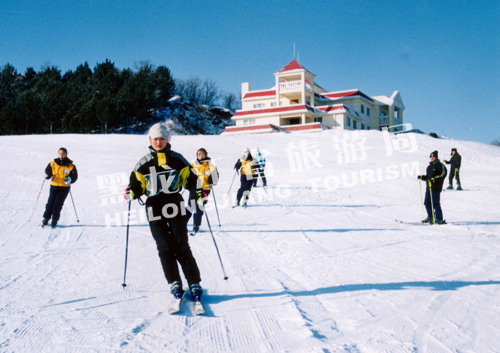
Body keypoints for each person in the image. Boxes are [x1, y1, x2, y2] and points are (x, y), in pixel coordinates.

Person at [125, 123, 204, 301]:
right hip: (154, 205)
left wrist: (198, 193)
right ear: (150, 140)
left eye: (161, 139)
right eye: (155, 139)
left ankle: (194, 282)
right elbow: (137, 184)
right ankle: (174, 282)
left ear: (167, 139)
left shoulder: (178, 159)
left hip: (174, 202)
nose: (158, 142)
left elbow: (191, 180)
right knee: (164, 246)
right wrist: (132, 191)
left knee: (181, 244)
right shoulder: (143, 163)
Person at [42, 147, 78, 228]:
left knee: (57, 204)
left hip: (64, 188)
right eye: (60, 153)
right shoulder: (52, 163)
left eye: (63, 154)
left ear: (66, 154)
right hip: (54, 186)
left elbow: (74, 176)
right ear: (58, 154)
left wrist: (70, 179)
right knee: (50, 203)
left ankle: (54, 220)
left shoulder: (71, 166)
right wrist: (47, 175)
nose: (61, 155)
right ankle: (46, 218)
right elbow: (48, 172)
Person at [186, 148, 219, 234]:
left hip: (205, 189)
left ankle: (196, 225)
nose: (201, 155)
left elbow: (215, 178)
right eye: (199, 154)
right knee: (190, 206)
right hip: (194, 189)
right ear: (197, 155)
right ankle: (182, 224)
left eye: (203, 154)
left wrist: (212, 180)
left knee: (199, 206)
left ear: (206, 155)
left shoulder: (211, 166)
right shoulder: (193, 165)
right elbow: (187, 177)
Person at [417, 150, 447, 224]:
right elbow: (428, 177)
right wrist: (422, 177)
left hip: (436, 187)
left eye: (433, 156)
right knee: (426, 203)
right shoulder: (429, 167)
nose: (432, 158)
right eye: (431, 157)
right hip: (429, 187)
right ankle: (430, 216)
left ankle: (439, 219)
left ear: (436, 157)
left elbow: (442, 174)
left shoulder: (440, 165)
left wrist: (434, 179)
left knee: (435, 203)